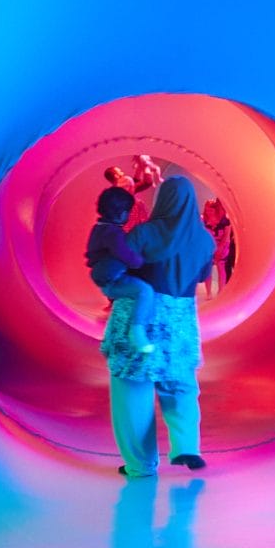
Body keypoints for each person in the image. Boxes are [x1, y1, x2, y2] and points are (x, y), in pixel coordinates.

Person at [103, 174, 219, 481]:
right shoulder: (206, 239)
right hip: (180, 318)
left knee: (133, 389)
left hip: (142, 313)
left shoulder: (144, 233)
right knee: (181, 384)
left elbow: (117, 268)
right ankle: (186, 445)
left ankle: (140, 466)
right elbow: (204, 274)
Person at [84, 185, 156, 354]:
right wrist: (141, 261)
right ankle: (137, 331)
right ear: (119, 212)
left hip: (105, 279)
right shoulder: (112, 233)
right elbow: (125, 254)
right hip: (111, 280)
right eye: (128, 211)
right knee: (145, 291)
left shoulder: (99, 228)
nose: (129, 215)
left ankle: (113, 340)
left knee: (129, 301)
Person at [200, 197, 237, 299]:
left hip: (222, 246)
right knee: (208, 269)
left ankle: (221, 292)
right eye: (207, 209)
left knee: (221, 268)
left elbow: (226, 237)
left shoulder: (225, 221)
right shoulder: (203, 220)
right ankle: (208, 293)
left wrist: (219, 249)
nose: (208, 211)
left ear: (216, 209)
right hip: (208, 247)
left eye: (211, 209)